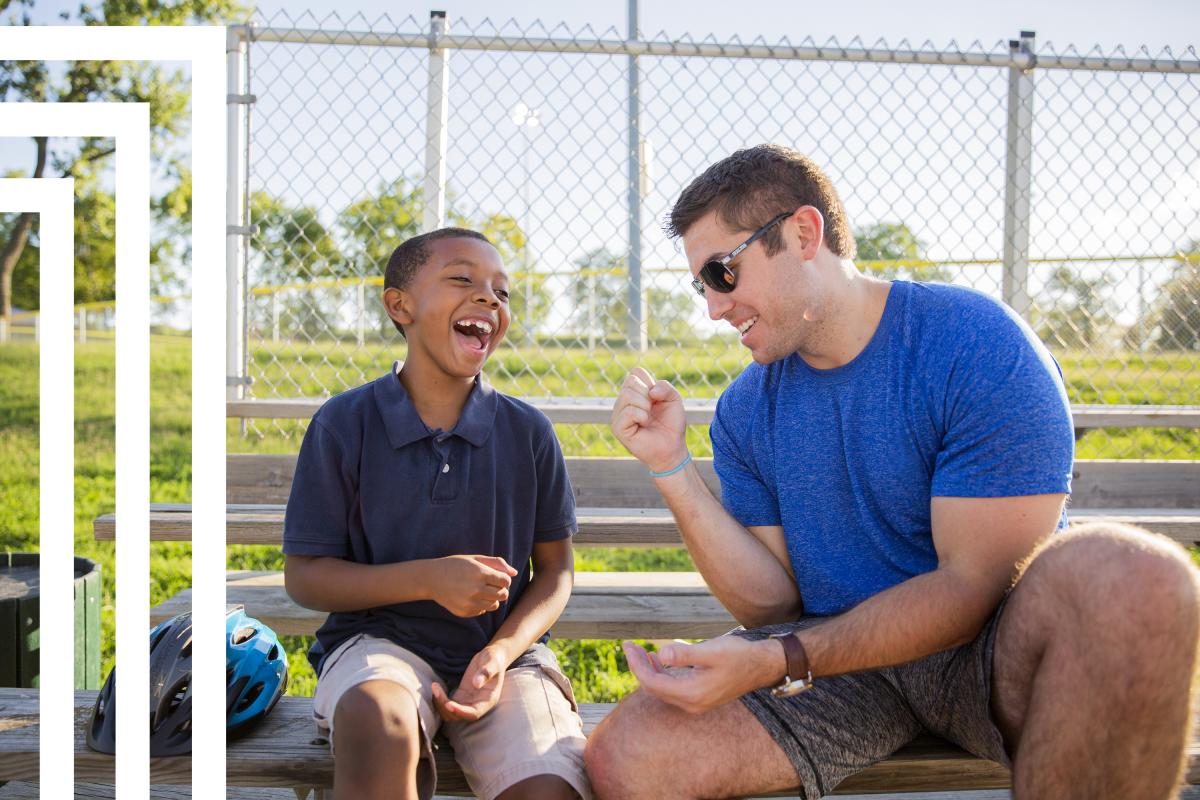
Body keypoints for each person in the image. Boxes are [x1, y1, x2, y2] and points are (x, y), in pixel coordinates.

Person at [585, 144, 1200, 800]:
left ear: (802, 234)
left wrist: (779, 657)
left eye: (722, 273)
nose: (712, 306)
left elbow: (970, 591)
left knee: (1138, 580)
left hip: (988, 651)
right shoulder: (744, 411)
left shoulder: (977, 346)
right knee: (628, 753)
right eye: (699, 284)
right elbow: (772, 603)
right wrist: (671, 465)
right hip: (843, 662)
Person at [283, 227, 590, 800]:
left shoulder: (528, 433)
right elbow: (305, 576)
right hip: (378, 644)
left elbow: (555, 572)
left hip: (504, 657)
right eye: (462, 280)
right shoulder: (344, 424)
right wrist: (429, 580)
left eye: (501, 292)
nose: (488, 299)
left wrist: (501, 653)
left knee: (549, 783)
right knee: (380, 726)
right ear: (400, 305)